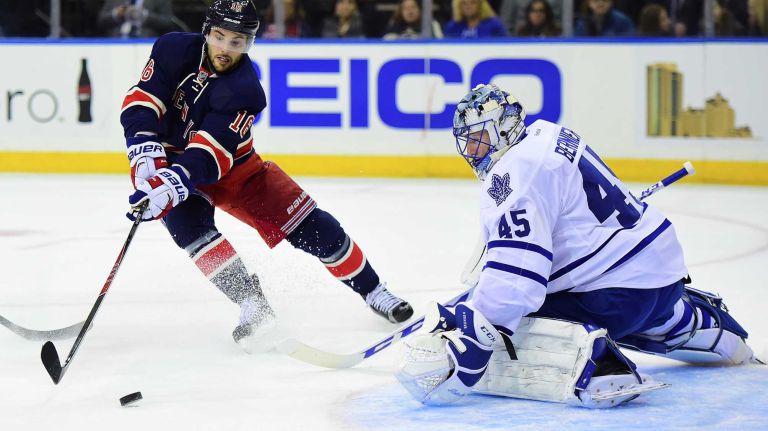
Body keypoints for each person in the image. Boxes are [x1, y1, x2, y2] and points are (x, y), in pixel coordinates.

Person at [395, 84, 759, 407]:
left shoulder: (512, 174)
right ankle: (699, 323)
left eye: (480, 138)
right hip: (662, 276)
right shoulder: (548, 133)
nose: (473, 151)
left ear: (504, 126)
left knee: (509, 321)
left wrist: (475, 330)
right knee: (653, 310)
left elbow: (517, 280)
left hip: (615, 295)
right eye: (468, 142)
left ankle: (601, 365)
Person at [121, 0, 413, 351]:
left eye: (237, 41)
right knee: (189, 230)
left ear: (250, 43)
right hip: (171, 160)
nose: (226, 49)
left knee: (314, 229)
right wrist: (143, 152)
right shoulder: (171, 48)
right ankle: (252, 304)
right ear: (206, 31)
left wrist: (172, 181)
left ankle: (374, 290)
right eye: (220, 37)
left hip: (236, 170)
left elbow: (210, 152)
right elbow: (142, 100)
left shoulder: (246, 90)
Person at [98, 0, 176, 38]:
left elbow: (168, 22)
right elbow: (100, 21)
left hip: (146, 43)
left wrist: (145, 15)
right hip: (115, 43)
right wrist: (116, 14)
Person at [443, 0, 509, 38]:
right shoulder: (453, 26)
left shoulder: (494, 24)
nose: (468, 7)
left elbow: (505, 45)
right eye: (464, 4)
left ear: (480, 5)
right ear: (459, 6)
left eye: (473, 3)